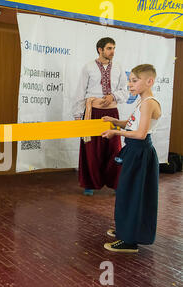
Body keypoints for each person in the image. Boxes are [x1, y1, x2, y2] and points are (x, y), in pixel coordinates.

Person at [101, 64, 161, 253]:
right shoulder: (143, 102)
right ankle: (125, 230)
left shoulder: (149, 103)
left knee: (132, 194)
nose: (130, 85)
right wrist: (115, 122)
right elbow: (131, 123)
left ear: (149, 81)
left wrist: (115, 132)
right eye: (129, 80)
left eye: (134, 81)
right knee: (127, 192)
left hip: (139, 151)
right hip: (136, 151)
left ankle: (129, 240)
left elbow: (141, 133)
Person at [72, 37, 129, 196]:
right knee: (91, 149)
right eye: (109, 48)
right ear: (100, 49)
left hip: (112, 113)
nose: (112, 52)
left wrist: (113, 96)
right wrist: (78, 116)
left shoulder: (118, 67)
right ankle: (89, 184)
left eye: (113, 48)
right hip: (93, 113)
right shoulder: (88, 67)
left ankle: (116, 182)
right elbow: (80, 91)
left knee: (114, 148)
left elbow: (125, 90)